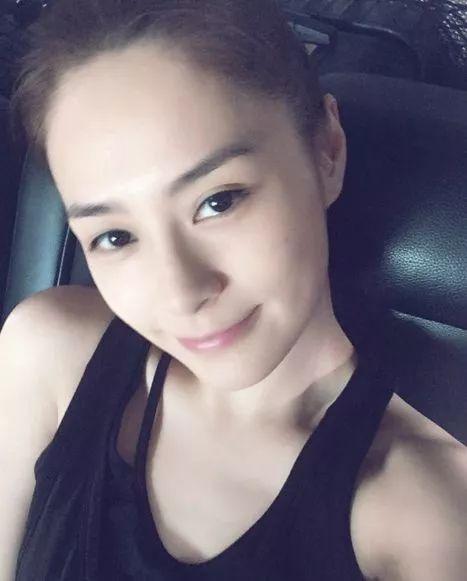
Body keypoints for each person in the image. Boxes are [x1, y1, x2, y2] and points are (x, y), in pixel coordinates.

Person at [1, 0, 466, 579]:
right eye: (115, 237)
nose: (182, 293)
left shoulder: (428, 518)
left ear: (326, 151)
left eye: (218, 201)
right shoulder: (47, 356)